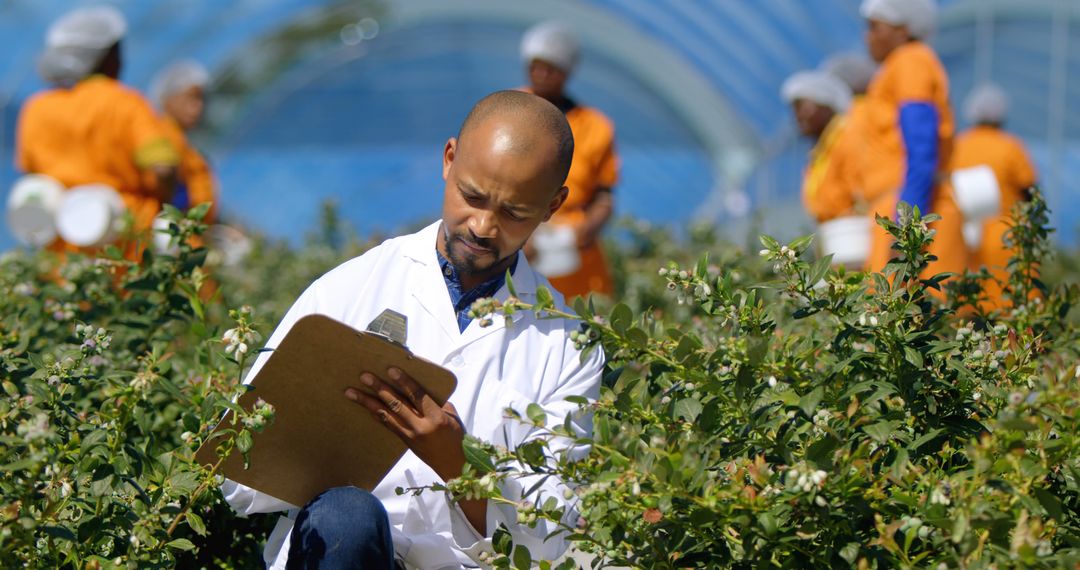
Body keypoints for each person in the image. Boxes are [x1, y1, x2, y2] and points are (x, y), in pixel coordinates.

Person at [221, 91, 604, 569]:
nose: (483, 226)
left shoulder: (567, 347)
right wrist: (322, 445)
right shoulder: (347, 290)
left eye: (514, 213)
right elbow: (235, 478)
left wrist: (459, 466)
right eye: (473, 196)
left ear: (553, 206)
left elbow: (553, 535)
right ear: (448, 160)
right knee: (348, 517)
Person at [15, 6, 179, 252]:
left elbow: (32, 175)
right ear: (105, 58)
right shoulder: (125, 104)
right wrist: (162, 199)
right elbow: (163, 167)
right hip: (127, 240)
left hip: (65, 245)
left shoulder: (36, 109)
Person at [858, 0, 967, 281]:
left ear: (902, 30)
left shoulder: (910, 61)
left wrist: (905, 229)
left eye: (875, 27)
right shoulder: (902, 64)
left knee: (900, 315)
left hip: (913, 207)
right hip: (905, 205)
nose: (866, 36)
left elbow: (921, 148)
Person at [518, 21, 618, 300]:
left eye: (550, 68)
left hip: (573, 253)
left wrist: (586, 231)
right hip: (519, 238)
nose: (540, 74)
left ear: (566, 72)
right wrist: (517, 234)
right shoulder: (510, 109)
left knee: (577, 321)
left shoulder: (595, 126)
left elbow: (604, 195)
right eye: (534, 66)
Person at [952, 84, 1038, 309]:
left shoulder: (958, 146)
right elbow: (1030, 192)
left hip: (967, 238)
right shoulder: (1011, 147)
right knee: (1013, 307)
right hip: (1007, 237)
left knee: (972, 309)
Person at [780, 70, 860, 224]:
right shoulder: (820, 156)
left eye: (803, 108)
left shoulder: (848, 137)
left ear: (827, 105)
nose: (798, 117)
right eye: (794, 111)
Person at [150, 59, 218, 223]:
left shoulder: (186, 147)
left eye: (201, 100)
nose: (198, 107)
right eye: (191, 98)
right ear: (168, 99)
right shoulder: (161, 139)